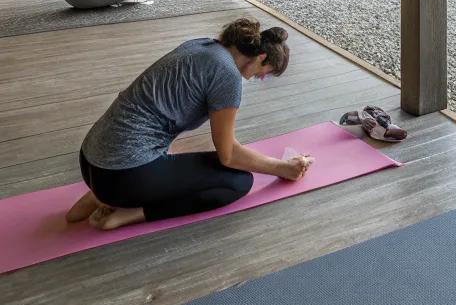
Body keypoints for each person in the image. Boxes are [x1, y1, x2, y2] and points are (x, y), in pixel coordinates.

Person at [66, 18, 308, 230]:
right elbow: (229, 155)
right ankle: (127, 211)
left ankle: (100, 194)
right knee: (238, 182)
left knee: (172, 153)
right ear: (261, 57)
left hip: (91, 157)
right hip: (122, 175)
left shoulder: (202, 45)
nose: (261, 77)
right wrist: (282, 168)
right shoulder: (227, 76)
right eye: (265, 72)